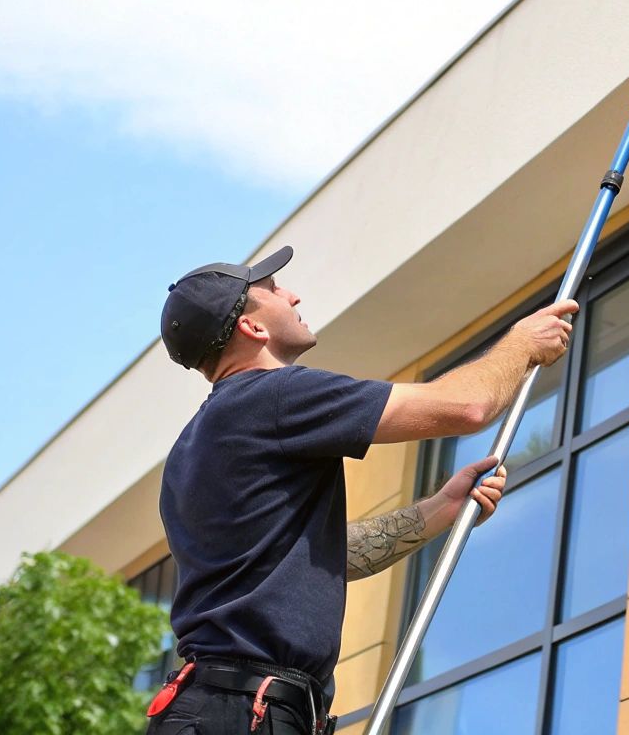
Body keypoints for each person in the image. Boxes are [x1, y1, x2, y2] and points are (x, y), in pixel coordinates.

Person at [146, 245, 576, 734]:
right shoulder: (275, 396)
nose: (292, 294)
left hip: (225, 709)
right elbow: (469, 407)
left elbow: (322, 559)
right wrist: (521, 343)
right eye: (271, 289)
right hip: (245, 710)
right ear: (252, 327)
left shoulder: (193, 449)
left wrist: (439, 509)